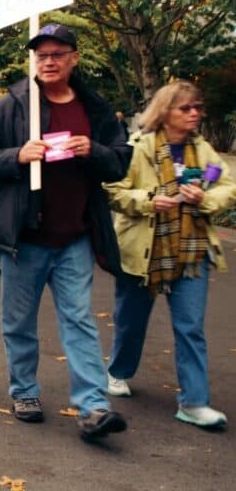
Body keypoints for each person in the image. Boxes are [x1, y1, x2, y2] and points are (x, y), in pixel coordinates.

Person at [0, 23, 132, 441]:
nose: (49, 61)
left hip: (75, 235)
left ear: (74, 58)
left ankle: (93, 407)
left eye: (58, 53)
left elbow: (119, 161)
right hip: (25, 236)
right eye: (41, 55)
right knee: (19, 322)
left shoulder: (94, 107)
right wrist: (18, 155)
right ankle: (25, 391)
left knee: (79, 320)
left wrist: (92, 150)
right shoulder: (13, 104)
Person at [103, 81, 235, 429]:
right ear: (165, 112)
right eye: (186, 108)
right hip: (144, 250)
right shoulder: (138, 147)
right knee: (131, 320)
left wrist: (204, 199)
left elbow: (227, 184)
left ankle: (193, 402)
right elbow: (114, 190)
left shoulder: (202, 148)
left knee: (190, 327)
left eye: (198, 108)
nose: (195, 114)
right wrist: (149, 201)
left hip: (192, 250)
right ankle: (118, 371)